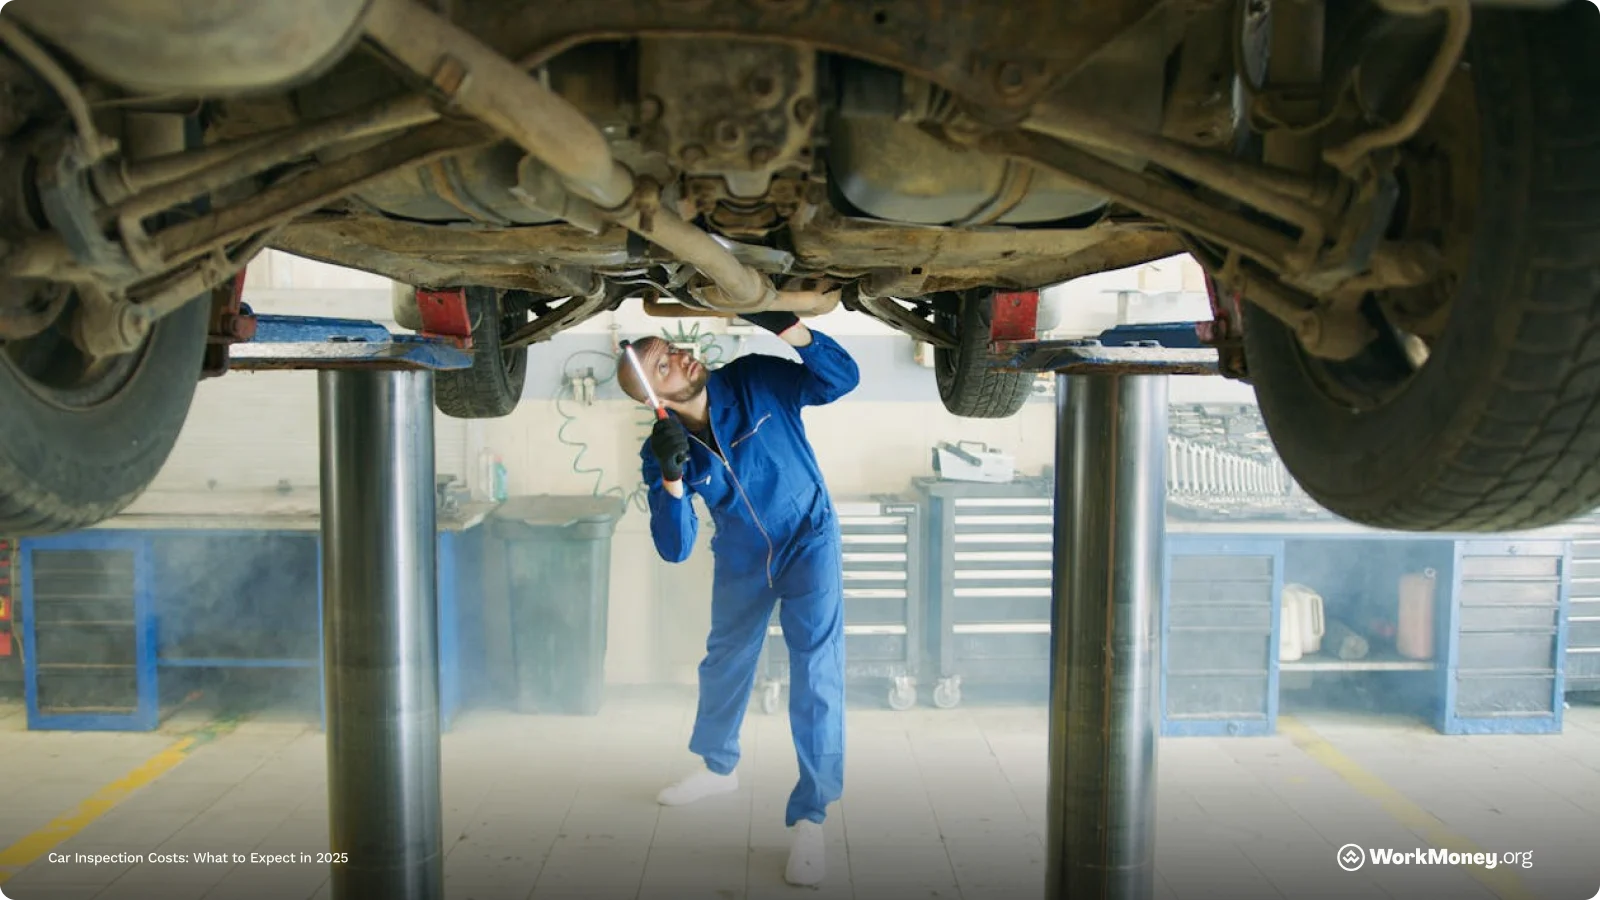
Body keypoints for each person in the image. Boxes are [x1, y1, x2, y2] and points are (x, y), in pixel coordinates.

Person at [616, 310, 860, 887]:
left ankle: (811, 817)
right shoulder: (662, 449)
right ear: (653, 395)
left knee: (815, 667)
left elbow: (841, 379)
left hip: (809, 539)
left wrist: (790, 327)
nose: (681, 354)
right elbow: (675, 548)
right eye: (663, 363)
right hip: (743, 557)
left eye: (673, 346)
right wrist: (673, 478)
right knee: (725, 659)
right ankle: (717, 767)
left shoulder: (752, 378)